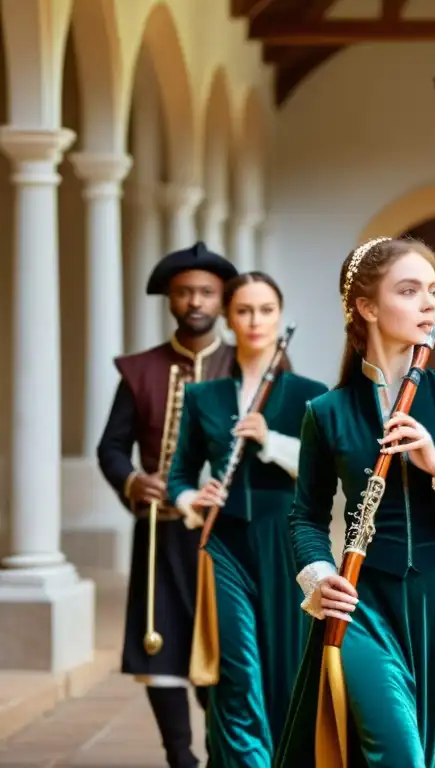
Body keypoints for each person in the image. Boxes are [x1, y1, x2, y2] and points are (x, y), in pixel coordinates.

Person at [274, 236, 435, 768]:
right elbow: (305, 517)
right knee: (397, 753)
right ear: (366, 307)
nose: (428, 304)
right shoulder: (327, 411)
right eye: (409, 290)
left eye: (432, 291)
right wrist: (320, 576)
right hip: (363, 599)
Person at [165, 272, 328, 767]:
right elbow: (177, 478)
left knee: (287, 668)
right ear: (228, 319)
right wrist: (196, 496)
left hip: (289, 542)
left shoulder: (310, 393)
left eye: (265, 310)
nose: (254, 321)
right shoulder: (203, 397)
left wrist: (269, 441)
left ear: (279, 318)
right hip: (226, 546)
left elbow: (329, 471)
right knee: (237, 673)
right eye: (243, 311)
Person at [96, 241, 238, 768]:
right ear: (170, 301)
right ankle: (179, 757)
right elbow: (111, 447)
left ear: (222, 299)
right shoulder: (141, 371)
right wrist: (134, 480)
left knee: (225, 650)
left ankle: (226, 750)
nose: (194, 301)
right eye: (184, 293)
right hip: (161, 532)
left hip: (228, 536)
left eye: (205, 292)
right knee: (161, 643)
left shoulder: (248, 364)